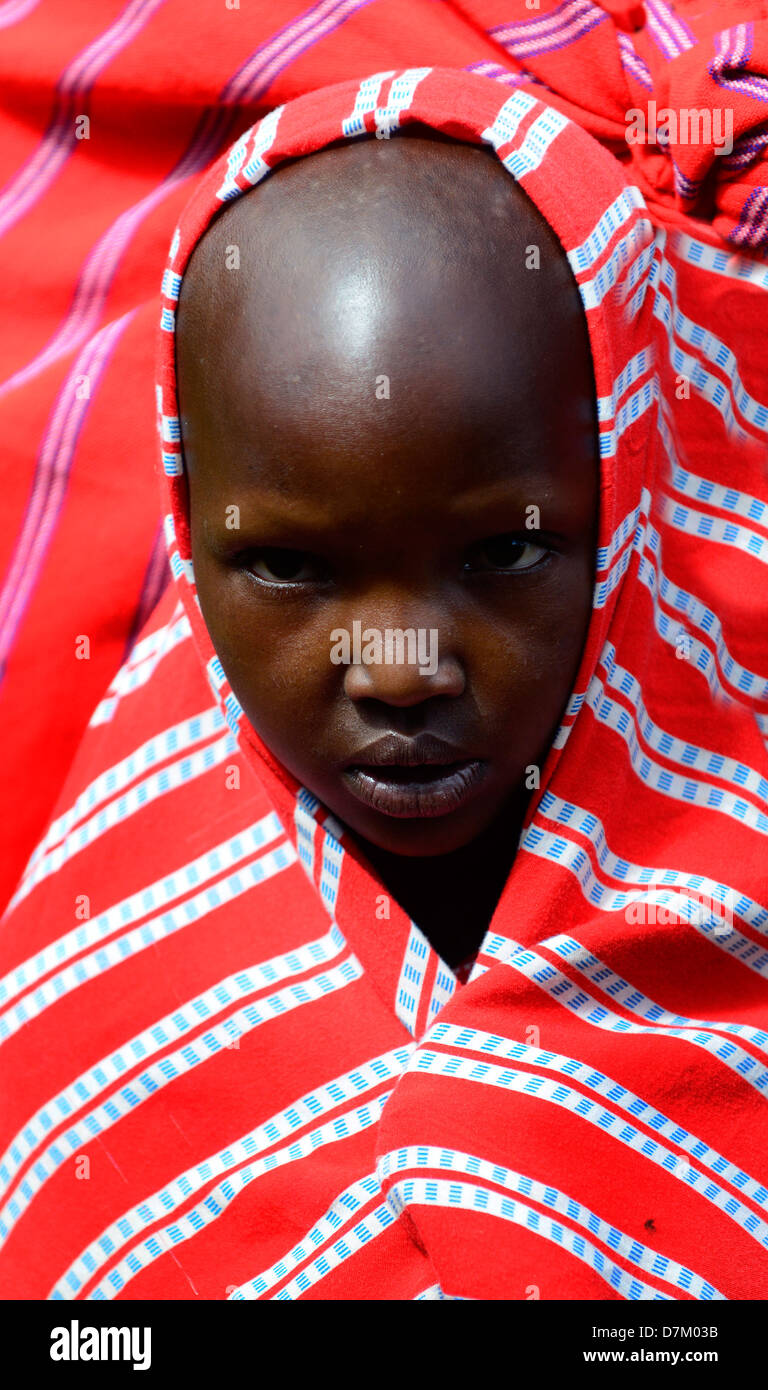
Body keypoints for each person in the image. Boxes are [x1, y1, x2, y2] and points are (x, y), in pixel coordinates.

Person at [0, 66, 766, 1302]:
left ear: (631, 495)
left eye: (503, 551)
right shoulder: (89, 1025)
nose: (403, 671)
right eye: (292, 565)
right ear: (190, 534)